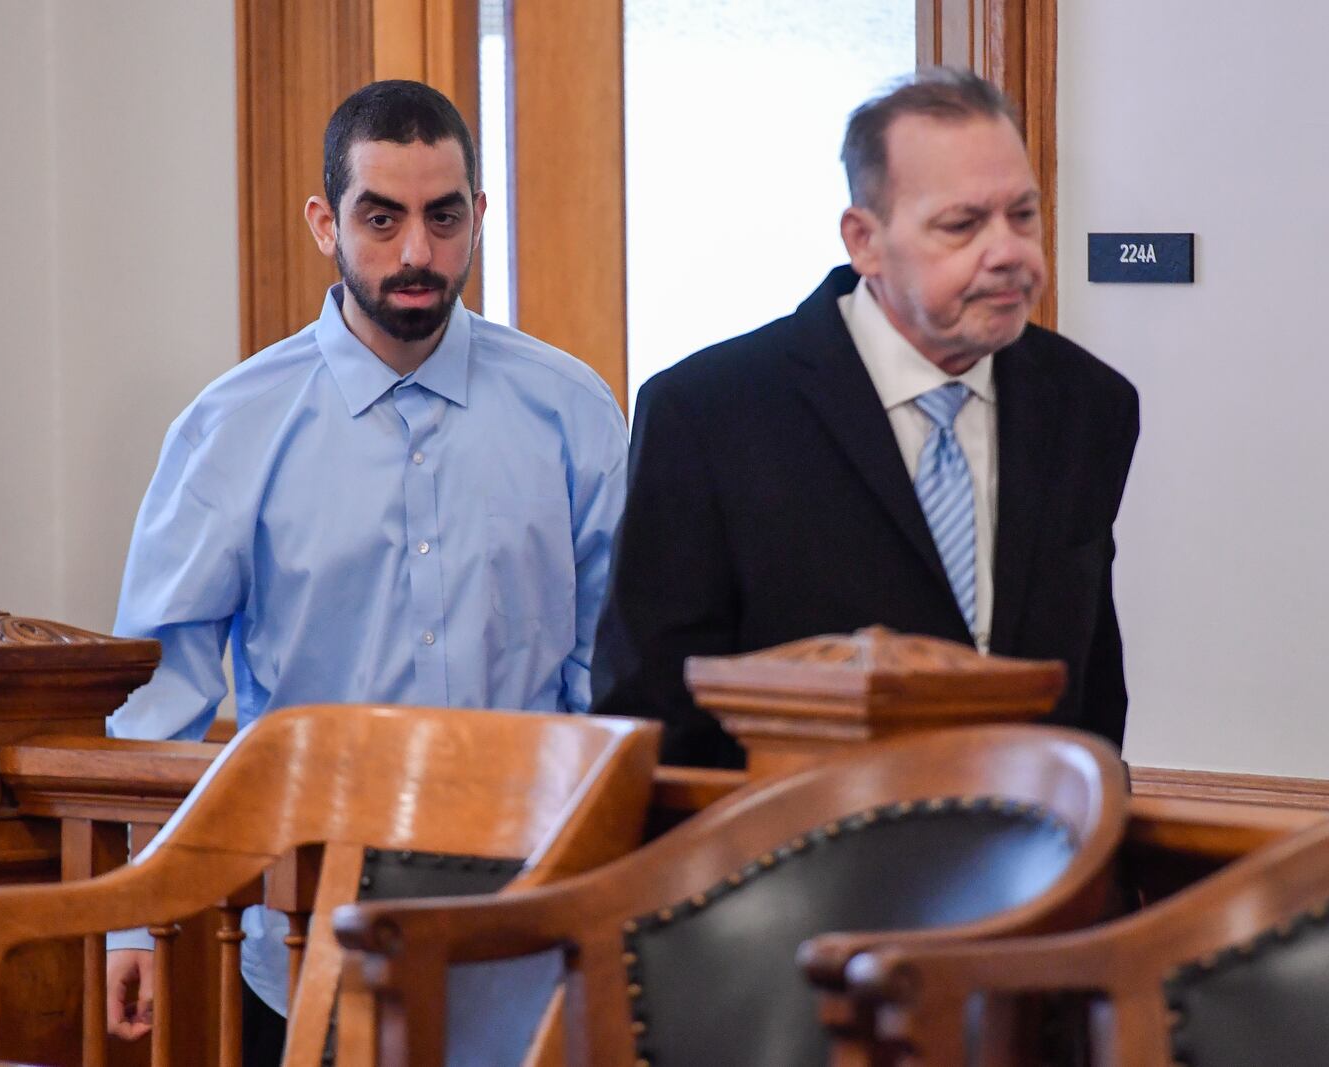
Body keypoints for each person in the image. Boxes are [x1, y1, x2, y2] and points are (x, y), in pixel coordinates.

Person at [104, 80, 627, 1060]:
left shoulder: (575, 413)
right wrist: (134, 917)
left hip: (529, 937)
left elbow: (612, 671)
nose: (416, 253)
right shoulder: (230, 429)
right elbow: (159, 694)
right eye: (380, 218)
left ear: (478, 215)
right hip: (300, 939)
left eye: (442, 215)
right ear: (323, 221)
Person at [592, 67, 1139, 768]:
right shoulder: (709, 414)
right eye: (963, 224)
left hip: (1035, 855)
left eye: (1022, 215)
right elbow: (653, 714)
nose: (1007, 252)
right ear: (864, 241)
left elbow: (1093, 686)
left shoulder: (1088, 405)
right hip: (791, 858)